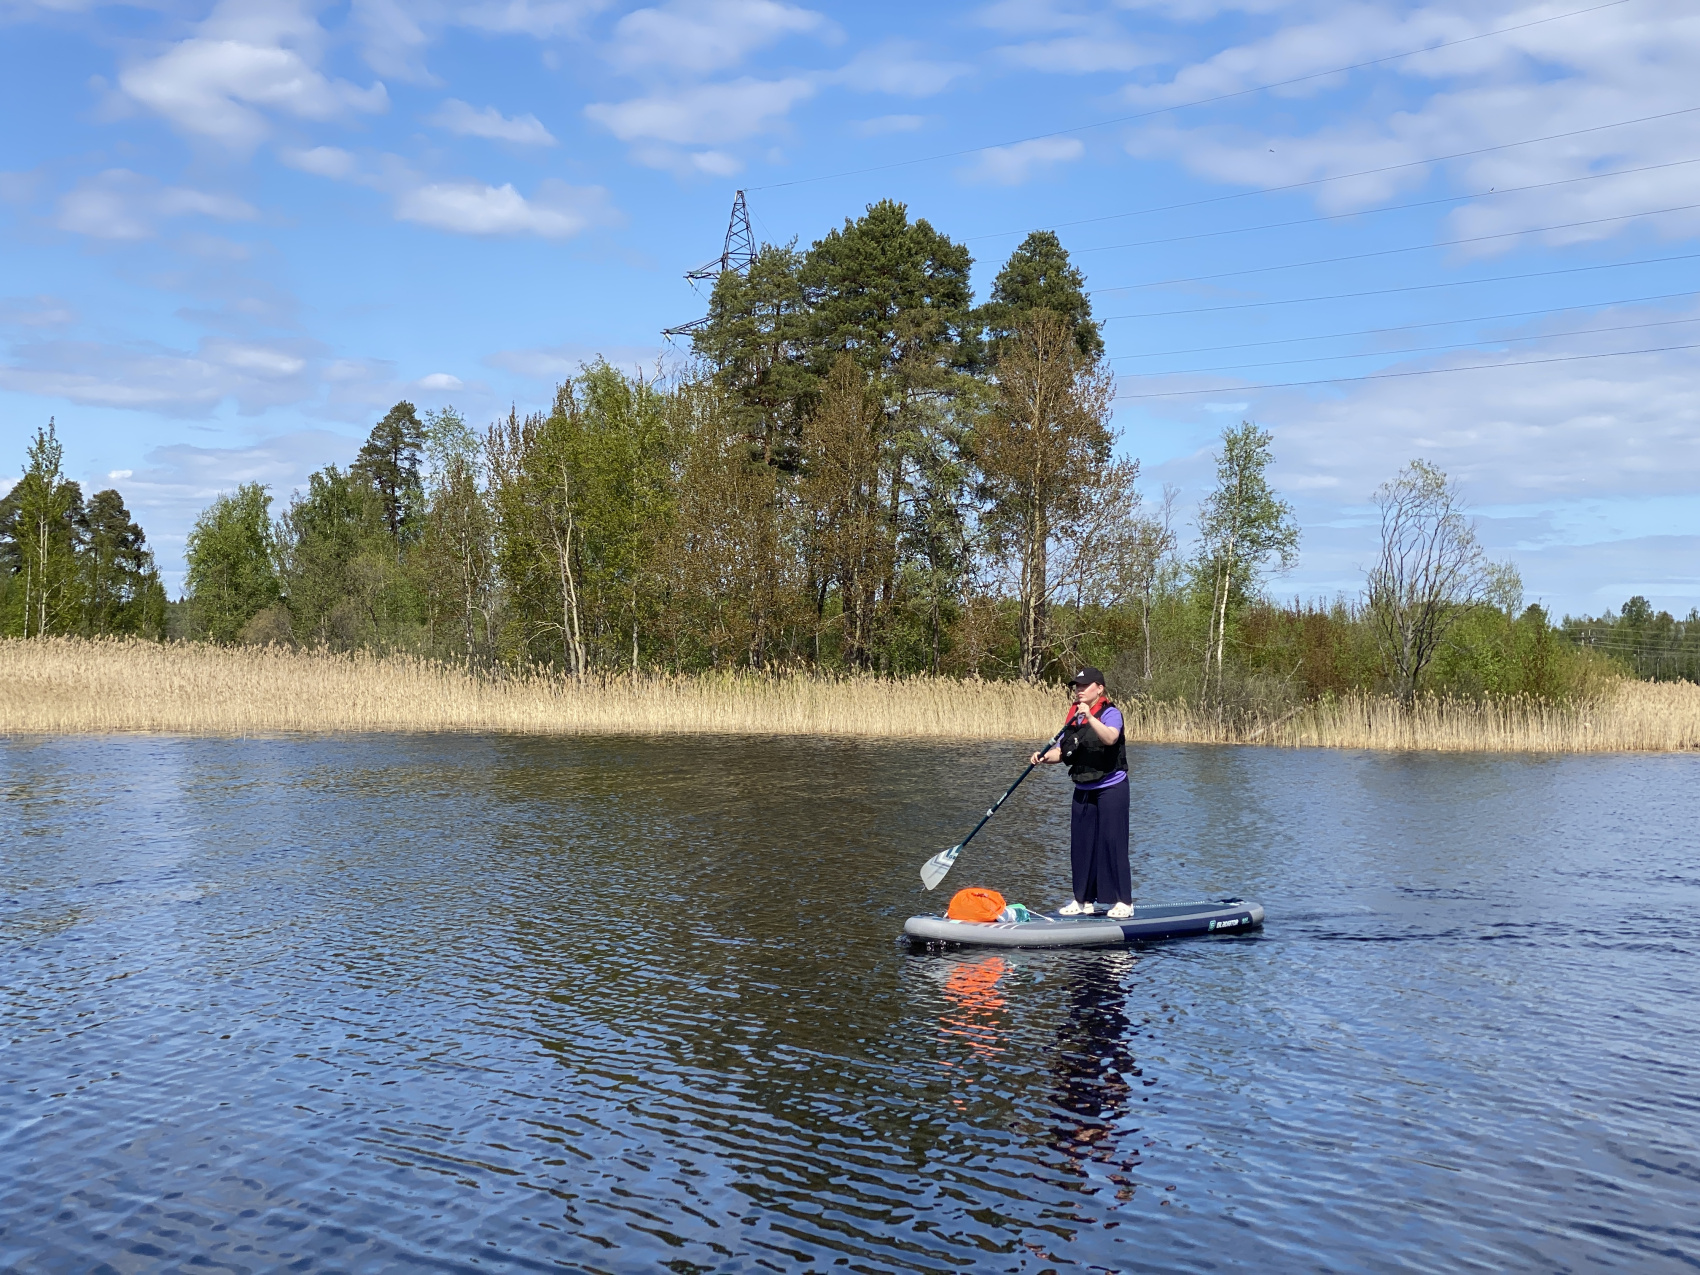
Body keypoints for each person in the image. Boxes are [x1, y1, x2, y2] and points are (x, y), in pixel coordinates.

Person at [1030, 666, 1133, 919]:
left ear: (1100, 689)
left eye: (1085, 686)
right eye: (1077, 686)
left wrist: (1090, 717)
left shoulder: (1111, 713)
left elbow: (1110, 738)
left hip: (1111, 787)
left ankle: (1123, 902)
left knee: (1112, 843)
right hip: (1083, 788)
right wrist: (1043, 757)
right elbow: (1062, 752)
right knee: (1081, 846)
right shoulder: (1073, 718)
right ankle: (1082, 900)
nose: (1079, 690)